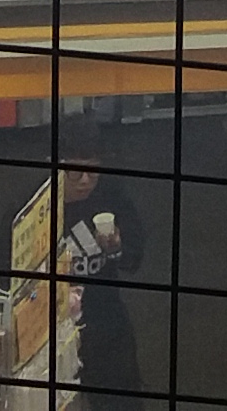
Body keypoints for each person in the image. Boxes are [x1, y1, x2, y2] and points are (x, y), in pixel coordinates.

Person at [54, 132, 143, 411]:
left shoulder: (110, 195)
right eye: (75, 172)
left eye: (92, 172)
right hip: (53, 327)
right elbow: (3, 271)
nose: (85, 181)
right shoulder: (35, 204)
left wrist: (116, 248)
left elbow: (134, 258)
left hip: (105, 320)